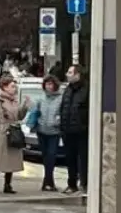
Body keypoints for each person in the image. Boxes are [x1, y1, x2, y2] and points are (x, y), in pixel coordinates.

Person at [0, 74, 31, 194]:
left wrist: (25, 107)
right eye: (12, 86)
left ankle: (8, 184)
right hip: (2, 133)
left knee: (10, 160)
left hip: (13, 130)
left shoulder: (14, 100)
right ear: (4, 87)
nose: (14, 89)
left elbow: (19, 116)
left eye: (14, 87)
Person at [59, 64, 90, 194]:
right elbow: (63, 107)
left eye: (70, 72)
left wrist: (85, 125)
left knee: (83, 158)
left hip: (81, 131)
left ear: (78, 75)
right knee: (70, 158)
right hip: (67, 130)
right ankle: (72, 184)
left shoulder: (87, 89)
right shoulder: (68, 89)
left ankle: (84, 183)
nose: (67, 74)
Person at [33, 75, 63, 191]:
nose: (48, 86)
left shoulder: (60, 98)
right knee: (45, 157)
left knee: (51, 156)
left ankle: (48, 181)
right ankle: (48, 181)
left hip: (54, 132)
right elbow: (35, 111)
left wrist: (58, 120)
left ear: (55, 85)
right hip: (42, 131)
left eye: (51, 84)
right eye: (47, 84)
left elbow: (63, 112)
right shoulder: (41, 97)